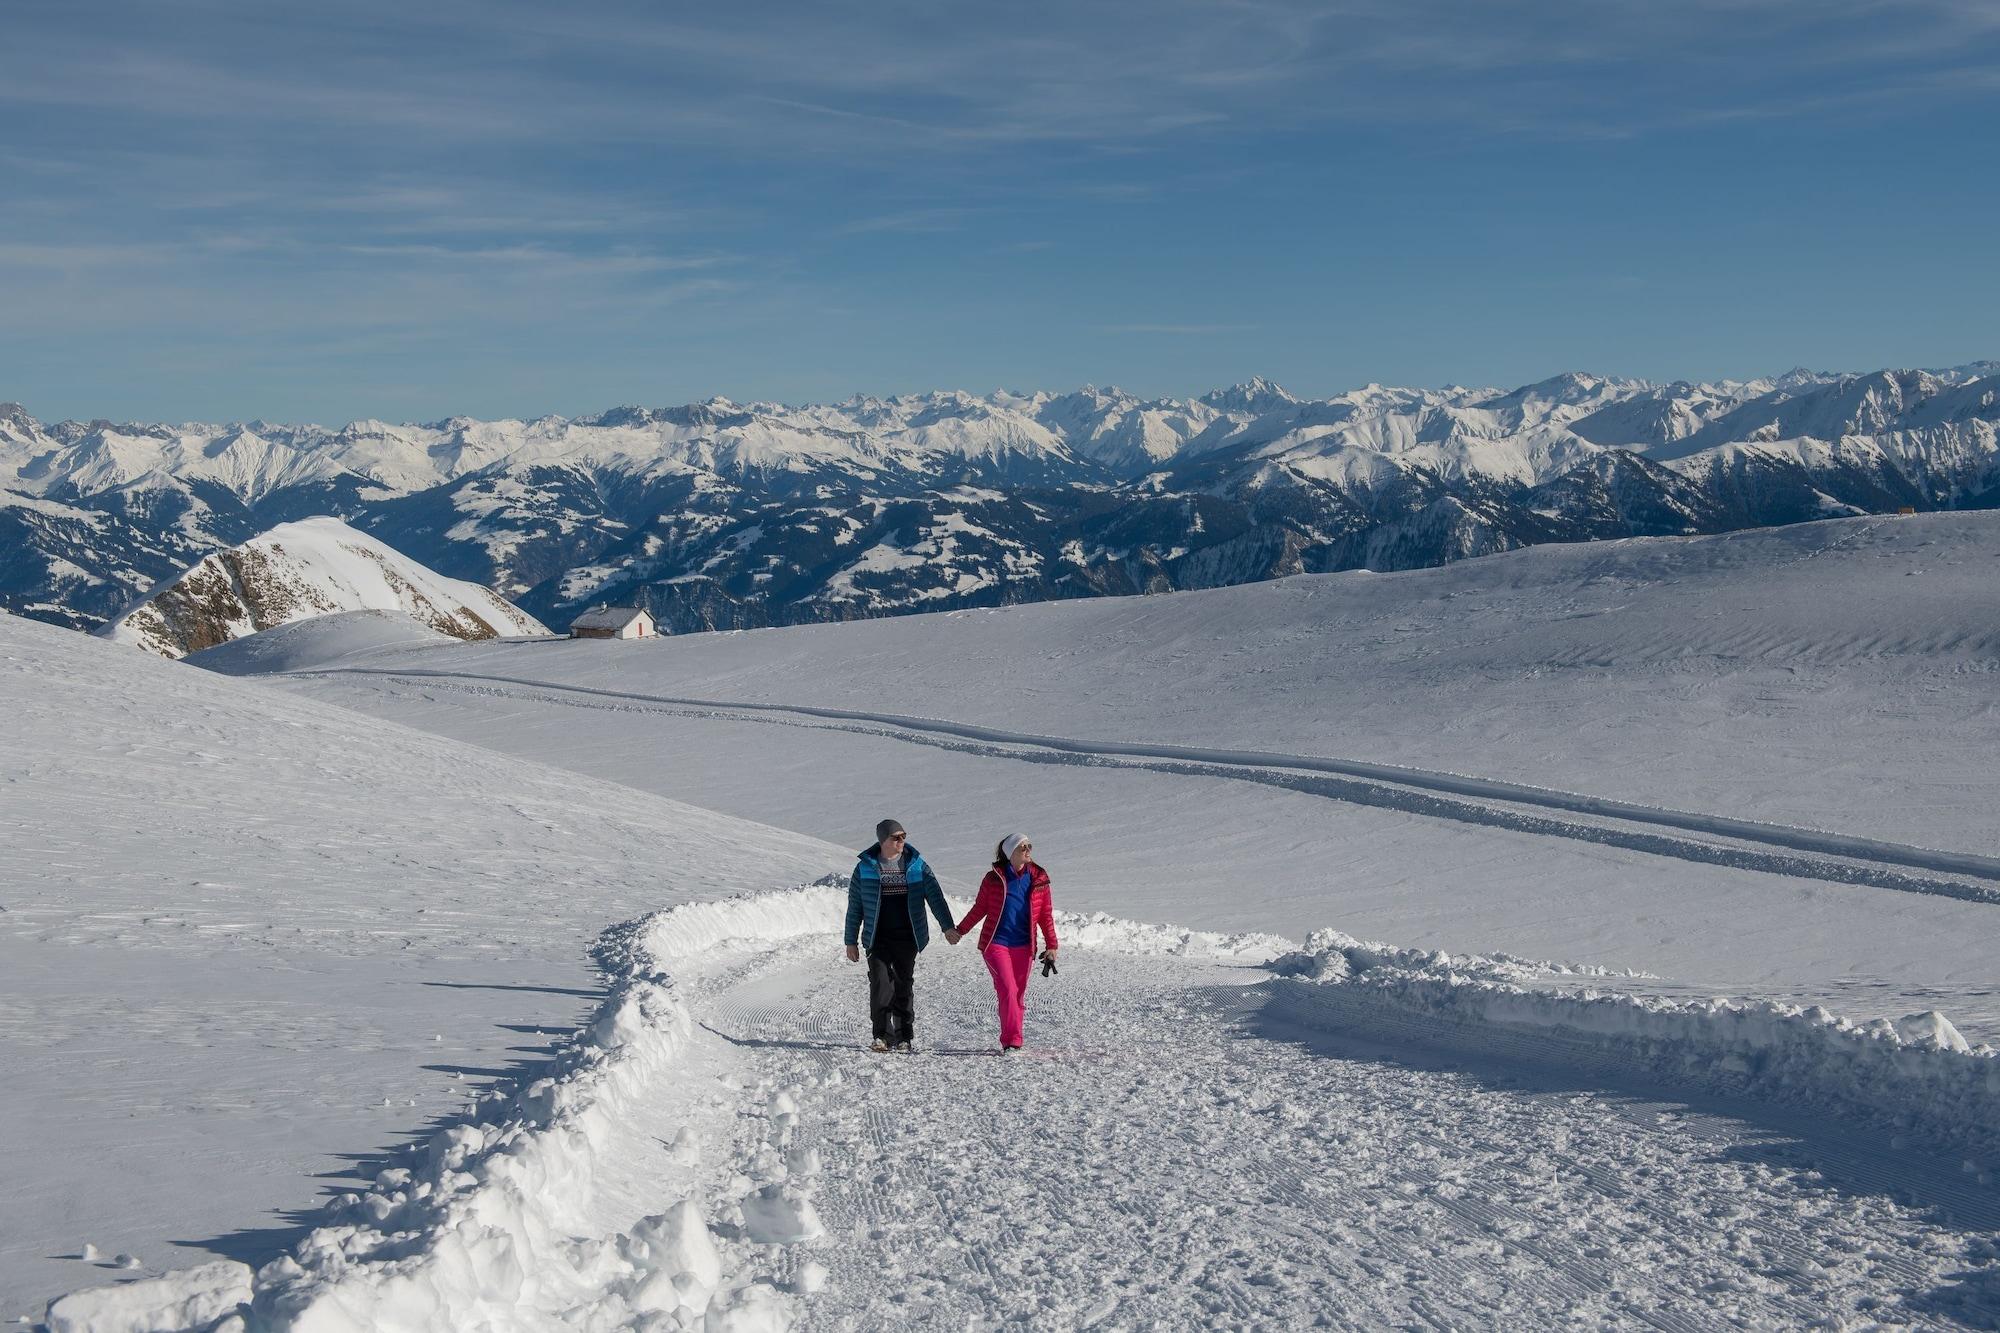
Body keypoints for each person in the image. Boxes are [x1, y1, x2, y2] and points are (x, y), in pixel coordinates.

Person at [844, 818, 958, 1053]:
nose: (901, 841)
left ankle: (904, 1035)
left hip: (907, 935)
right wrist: (850, 941)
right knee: (880, 984)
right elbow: (855, 906)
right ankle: (881, 1036)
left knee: (903, 984)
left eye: (903, 836)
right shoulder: (865, 867)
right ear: (883, 840)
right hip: (877, 936)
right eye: (896, 837)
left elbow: (935, 897)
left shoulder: (916, 865)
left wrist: (947, 926)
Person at [954, 832, 1058, 1053]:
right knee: (1008, 990)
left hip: (1024, 946)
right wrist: (960, 931)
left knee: (1018, 995)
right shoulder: (994, 879)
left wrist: (1052, 945)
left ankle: (1014, 1038)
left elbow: (1045, 915)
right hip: (996, 944)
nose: (1028, 850)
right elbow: (980, 908)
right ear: (1011, 852)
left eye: (1030, 845)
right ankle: (1012, 1041)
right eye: (1023, 847)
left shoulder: (1039, 877)